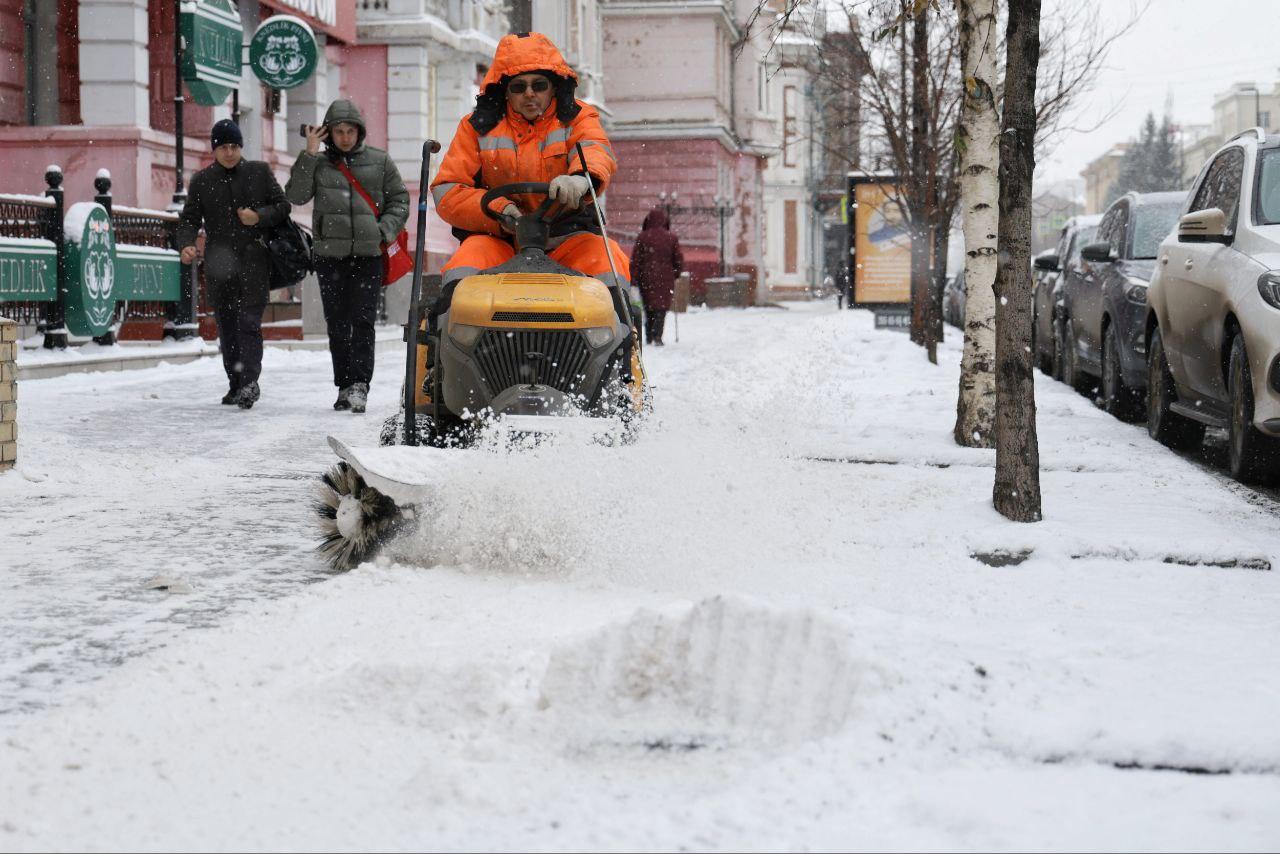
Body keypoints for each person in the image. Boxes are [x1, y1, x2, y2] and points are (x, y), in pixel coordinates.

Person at [429, 32, 630, 310]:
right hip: (500, 239)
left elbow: (595, 150)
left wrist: (581, 179)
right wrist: (500, 209)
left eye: (539, 84)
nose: (529, 93)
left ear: (554, 87)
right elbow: (448, 190)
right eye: (518, 87)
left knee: (607, 261)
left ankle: (617, 340)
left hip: (566, 237)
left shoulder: (578, 118)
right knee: (465, 267)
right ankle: (457, 341)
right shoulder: (476, 127)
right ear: (505, 91)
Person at [286, 100, 409, 414]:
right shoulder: (319, 162)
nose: (344, 137)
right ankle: (344, 384)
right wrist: (309, 154)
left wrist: (383, 230)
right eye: (338, 131)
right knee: (337, 323)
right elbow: (295, 196)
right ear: (329, 133)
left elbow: (399, 199)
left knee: (363, 321)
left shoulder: (380, 161)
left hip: (368, 255)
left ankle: (360, 385)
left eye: (349, 131)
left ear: (359, 131)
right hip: (330, 256)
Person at [178, 119, 290, 410]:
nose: (229, 152)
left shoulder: (259, 172)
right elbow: (189, 218)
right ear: (214, 149)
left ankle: (250, 382)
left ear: (241, 147)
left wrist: (258, 217)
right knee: (227, 327)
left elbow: (282, 207)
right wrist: (187, 243)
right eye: (224, 147)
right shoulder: (202, 181)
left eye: (235, 146)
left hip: (254, 262)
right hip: (219, 265)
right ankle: (235, 383)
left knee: (249, 323)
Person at [630, 207, 683, 346]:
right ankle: (657, 335)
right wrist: (676, 273)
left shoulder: (643, 237)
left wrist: (634, 278)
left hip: (646, 277)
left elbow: (635, 260)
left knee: (649, 306)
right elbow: (678, 259)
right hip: (666, 278)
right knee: (661, 307)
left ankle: (648, 335)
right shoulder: (671, 237)